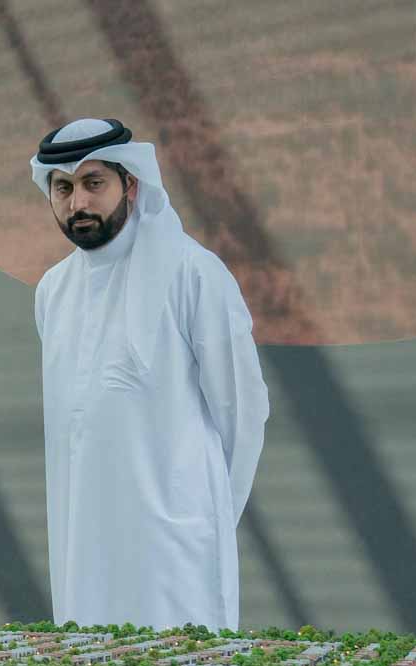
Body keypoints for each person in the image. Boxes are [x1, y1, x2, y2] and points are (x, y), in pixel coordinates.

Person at [30, 118, 270, 631]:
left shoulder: (192, 271)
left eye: (95, 183)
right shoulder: (52, 292)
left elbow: (243, 414)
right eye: (64, 187)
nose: (78, 203)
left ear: (131, 184)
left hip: (175, 549)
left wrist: (208, 520)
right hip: (83, 543)